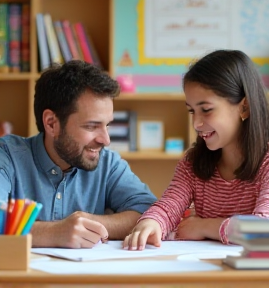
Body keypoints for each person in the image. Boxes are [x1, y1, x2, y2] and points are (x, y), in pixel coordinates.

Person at [123, 49, 269, 250]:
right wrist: (152, 222)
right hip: (207, 274)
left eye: (206, 110)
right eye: (192, 110)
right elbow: (168, 207)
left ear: (244, 108)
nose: (197, 123)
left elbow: (267, 231)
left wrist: (205, 227)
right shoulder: (193, 162)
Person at [0, 60, 157, 248]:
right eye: (92, 126)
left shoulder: (108, 163)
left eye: (107, 125)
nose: (105, 140)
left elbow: (149, 212)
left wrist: (86, 221)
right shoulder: (7, 155)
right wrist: (53, 233)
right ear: (51, 123)